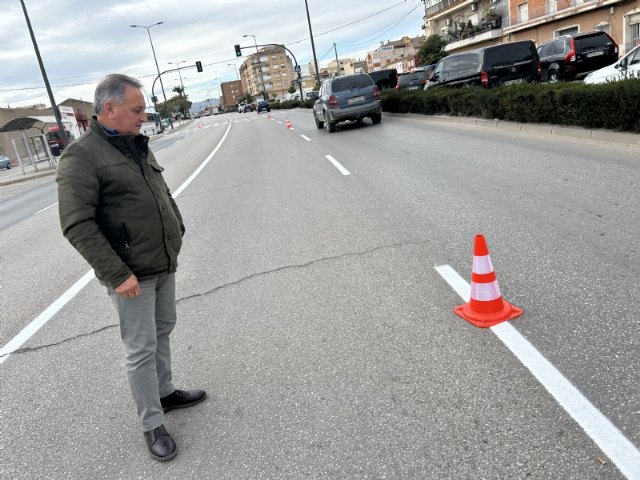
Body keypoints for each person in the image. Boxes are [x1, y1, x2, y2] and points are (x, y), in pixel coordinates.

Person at [56, 73, 206, 462]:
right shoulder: (82, 157)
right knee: (140, 349)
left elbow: (159, 192)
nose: (144, 116)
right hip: (131, 273)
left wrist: (177, 226)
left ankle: (165, 392)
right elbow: (76, 224)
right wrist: (117, 273)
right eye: (137, 109)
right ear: (110, 109)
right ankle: (151, 422)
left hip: (162, 261)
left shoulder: (136, 145)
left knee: (163, 331)